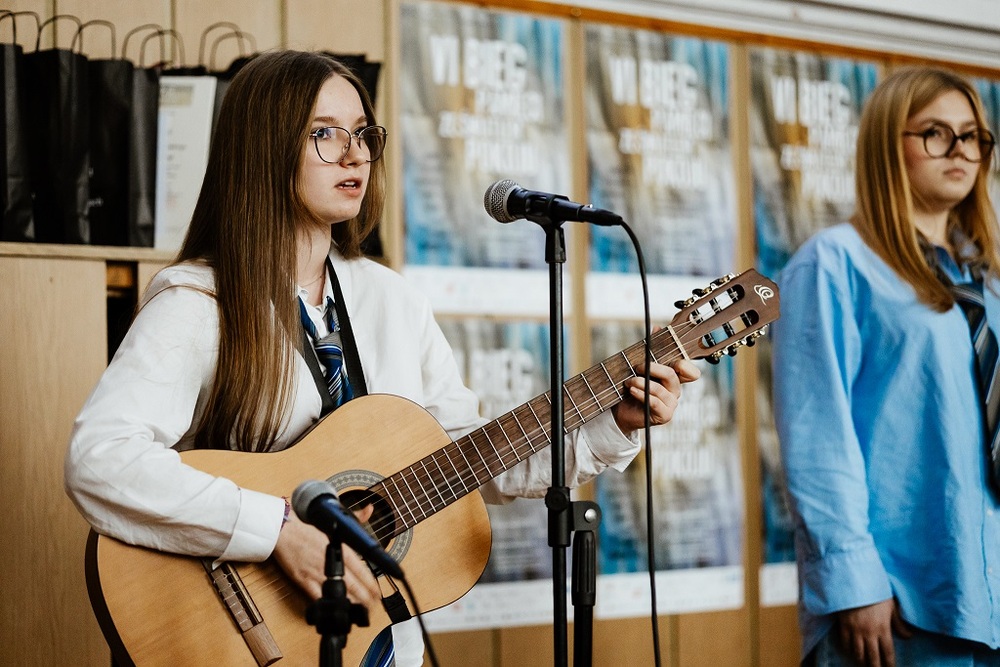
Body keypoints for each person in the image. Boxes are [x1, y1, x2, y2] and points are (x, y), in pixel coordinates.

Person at [64, 49, 700, 666]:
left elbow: (464, 461)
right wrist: (277, 530)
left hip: (386, 646)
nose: (354, 153)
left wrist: (612, 427)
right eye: (324, 134)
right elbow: (101, 458)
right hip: (234, 634)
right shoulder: (199, 301)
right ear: (262, 150)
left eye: (364, 133)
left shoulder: (392, 300)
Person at [773, 65, 1000, 667]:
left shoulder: (988, 279)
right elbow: (819, 437)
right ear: (885, 145)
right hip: (902, 598)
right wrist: (852, 582)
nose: (961, 150)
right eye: (935, 132)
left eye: (974, 136)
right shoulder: (835, 264)